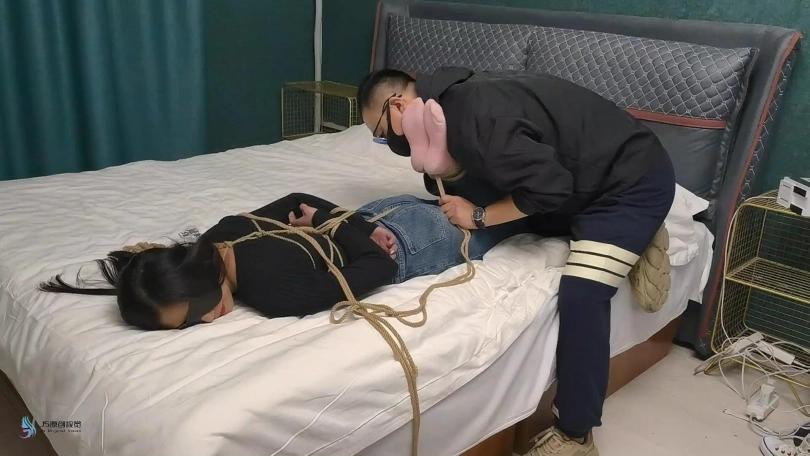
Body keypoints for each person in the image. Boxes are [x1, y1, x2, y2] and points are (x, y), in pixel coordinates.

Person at [358, 67, 676, 456]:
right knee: (527, 217)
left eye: (382, 134)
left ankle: (576, 435)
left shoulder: (477, 117)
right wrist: (456, 177)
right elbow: (508, 172)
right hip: (578, 178)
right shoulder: (449, 103)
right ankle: (630, 237)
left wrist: (479, 217)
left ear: (398, 105)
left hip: (631, 183)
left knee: (582, 295)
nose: (389, 143)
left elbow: (550, 188)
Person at [40, 193, 529, 330]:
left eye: (194, 312)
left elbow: (379, 268)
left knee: (528, 221)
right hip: (382, 211)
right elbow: (300, 203)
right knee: (506, 204)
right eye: (187, 325)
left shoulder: (276, 296)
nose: (206, 320)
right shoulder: (219, 236)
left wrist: (348, 229)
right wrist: (337, 221)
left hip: (413, 244)